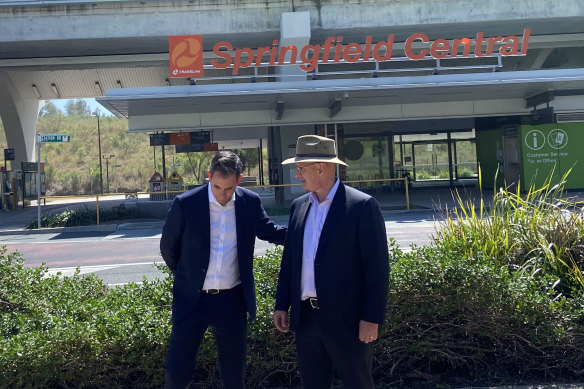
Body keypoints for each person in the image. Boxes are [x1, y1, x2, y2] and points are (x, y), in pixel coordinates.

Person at [160, 151, 287, 389]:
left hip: (232, 301)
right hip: (192, 300)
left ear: (238, 181)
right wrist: (189, 277)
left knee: (233, 374)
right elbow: (168, 248)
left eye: (228, 189)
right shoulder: (186, 203)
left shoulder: (249, 203)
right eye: (217, 187)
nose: (222, 195)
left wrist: (306, 233)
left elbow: (269, 232)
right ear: (209, 176)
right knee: (177, 372)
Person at [273, 135, 389, 389]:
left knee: (358, 383)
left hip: (348, 319)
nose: (296, 175)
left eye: (300, 168)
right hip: (306, 319)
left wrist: (372, 318)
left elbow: (377, 268)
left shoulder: (361, 206)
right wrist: (282, 304)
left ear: (321, 168)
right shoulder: (299, 207)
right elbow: (290, 260)